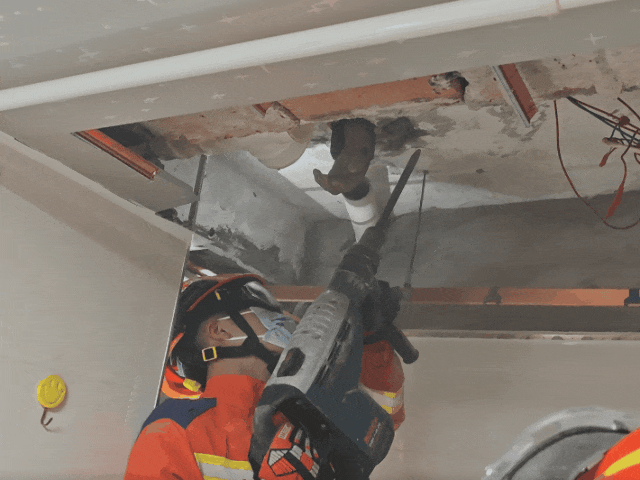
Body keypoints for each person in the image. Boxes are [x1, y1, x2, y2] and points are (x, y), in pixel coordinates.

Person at [124, 273, 405, 480]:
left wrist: (371, 341)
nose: (281, 317)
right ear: (219, 331)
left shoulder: (305, 399)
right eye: (262, 310)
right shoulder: (172, 430)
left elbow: (384, 416)